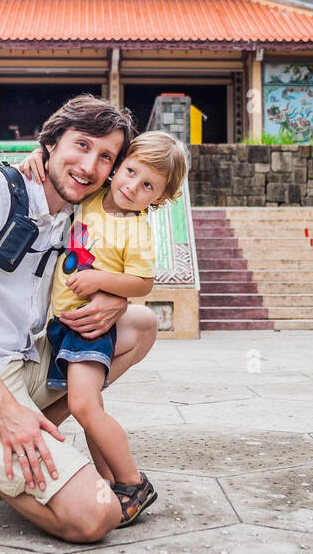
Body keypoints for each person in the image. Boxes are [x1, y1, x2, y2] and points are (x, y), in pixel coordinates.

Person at [0, 95, 158, 543]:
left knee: (141, 324)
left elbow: (132, 225)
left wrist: (114, 296)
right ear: (51, 142)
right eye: (80, 144)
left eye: (105, 157)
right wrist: (7, 412)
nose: (89, 165)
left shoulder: (79, 201)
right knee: (96, 516)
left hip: (22, 362)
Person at [18, 131, 188, 526]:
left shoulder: (136, 231)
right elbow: (58, 174)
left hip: (90, 329)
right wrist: (35, 157)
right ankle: (111, 480)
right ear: (115, 168)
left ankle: (133, 482)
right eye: (130, 172)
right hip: (62, 325)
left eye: (148, 185)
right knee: (89, 408)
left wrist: (99, 281)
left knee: (84, 406)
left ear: (159, 199)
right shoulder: (92, 198)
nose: (132, 187)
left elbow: (143, 283)